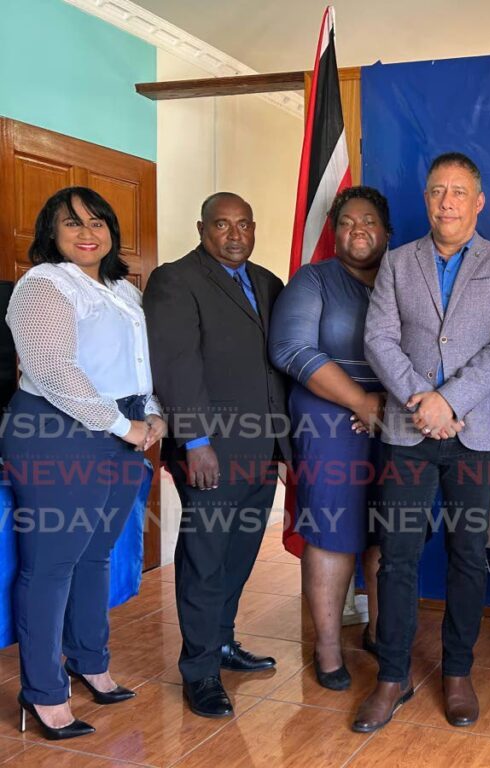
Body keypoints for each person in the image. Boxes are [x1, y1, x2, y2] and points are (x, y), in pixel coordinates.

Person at [355, 152, 490, 733]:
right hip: (408, 432)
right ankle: (393, 674)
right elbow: (378, 338)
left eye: (459, 192)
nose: (447, 201)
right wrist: (421, 400)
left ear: (479, 202)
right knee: (398, 557)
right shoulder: (399, 263)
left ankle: (457, 671)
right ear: (426, 200)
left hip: (475, 435)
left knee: (468, 556)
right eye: (437, 191)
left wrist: (449, 400)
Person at [3, 187, 165, 739]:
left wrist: (153, 414)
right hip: (57, 429)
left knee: (96, 554)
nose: (87, 232)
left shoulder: (123, 289)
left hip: (122, 425)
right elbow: (52, 371)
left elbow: (140, 363)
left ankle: (89, 661)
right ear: (51, 232)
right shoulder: (43, 285)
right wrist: (126, 427)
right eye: (72, 224)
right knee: (51, 563)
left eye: (97, 222)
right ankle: (42, 692)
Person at [143, 192, 290, 719]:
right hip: (210, 452)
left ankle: (223, 643)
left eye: (244, 225)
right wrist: (197, 441)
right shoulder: (174, 280)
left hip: (262, 448)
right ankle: (200, 671)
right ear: (202, 227)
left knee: (240, 552)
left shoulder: (269, 283)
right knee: (205, 559)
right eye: (223, 225)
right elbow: (176, 364)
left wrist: (284, 442)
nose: (235, 235)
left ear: (254, 229)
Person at [268, 186, 391, 690]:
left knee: (390, 533)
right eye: (346, 222)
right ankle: (327, 647)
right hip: (329, 424)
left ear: (387, 231)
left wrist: (388, 405)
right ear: (334, 231)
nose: (357, 229)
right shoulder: (314, 278)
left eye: (368, 221)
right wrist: (361, 402)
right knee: (333, 534)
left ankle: (384, 635)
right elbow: (290, 348)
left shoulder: (403, 278)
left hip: (398, 422)